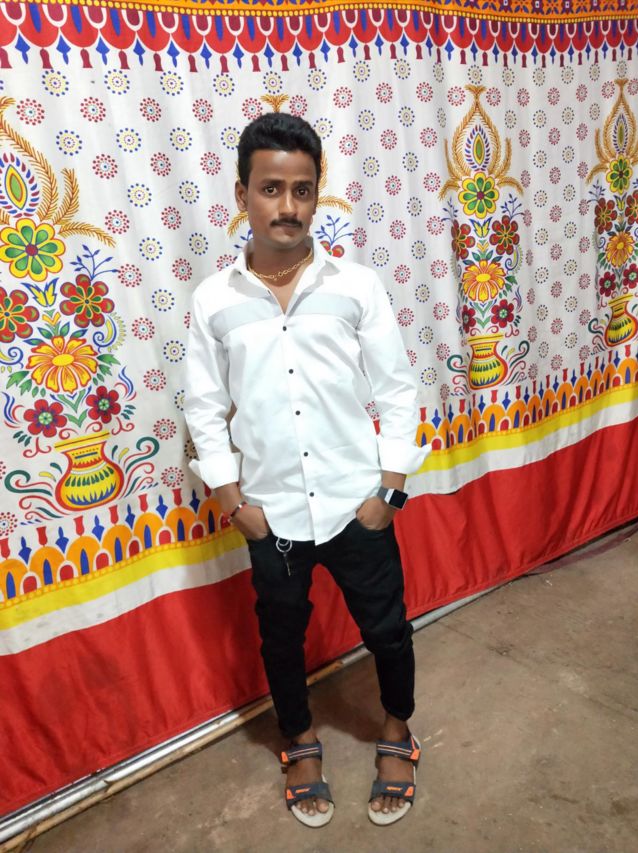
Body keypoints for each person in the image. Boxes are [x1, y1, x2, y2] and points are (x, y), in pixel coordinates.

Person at [184, 112, 429, 828]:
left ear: (317, 194)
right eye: (270, 189)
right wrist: (235, 502)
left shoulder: (356, 286)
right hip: (273, 514)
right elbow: (204, 407)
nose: (287, 206)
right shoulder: (215, 300)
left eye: (301, 189)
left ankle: (397, 730)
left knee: (387, 629)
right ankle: (298, 740)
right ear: (243, 195)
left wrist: (388, 491)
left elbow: (397, 390)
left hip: (357, 505)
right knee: (282, 638)